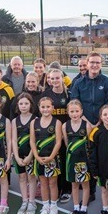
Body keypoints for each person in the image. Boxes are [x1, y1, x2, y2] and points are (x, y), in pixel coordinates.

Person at [30, 96, 63, 214]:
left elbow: (58, 142)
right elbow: (32, 141)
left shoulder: (57, 123)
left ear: (53, 108)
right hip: (39, 158)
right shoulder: (34, 122)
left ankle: (53, 206)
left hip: (52, 158)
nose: (45, 109)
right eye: (43, 107)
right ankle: (45, 206)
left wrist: (51, 157)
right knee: (43, 182)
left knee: (52, 183)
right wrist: (36, 156)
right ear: (39, 108)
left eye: (48, 107)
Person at [43, 68, 72, 203]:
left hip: (66, 135)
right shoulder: (46, 95)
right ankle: (57, 188)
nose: (54, 80)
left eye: (57, 78)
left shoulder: (69, 95)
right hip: (51, 136)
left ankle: (67, 189)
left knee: (66, 161)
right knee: (55, 162)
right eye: (52, 78)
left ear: (62, 78)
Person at [63, 99, 92, 214]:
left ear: (81, 111)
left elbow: (90, 144)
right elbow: (66, 142)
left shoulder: (86, 125)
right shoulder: (65, 126)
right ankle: (76, 208)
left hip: (83, 160)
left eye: (77, 111)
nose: (74, 114)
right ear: (68, 112)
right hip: (71, 160)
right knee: (74, 184)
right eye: (72, 111)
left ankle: (84, 208)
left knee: (84, 184)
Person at [70, 51, 108, 126]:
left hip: (103, 124)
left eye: (98, 63)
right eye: (92, 62)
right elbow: (74, 103)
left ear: (101, 64)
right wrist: (88, 124)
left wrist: (99, 123)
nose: (95, 65)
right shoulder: (78, 83)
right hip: (82, 124)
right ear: (87, 64)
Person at [11, 93, 37, 214]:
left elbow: (35, 140)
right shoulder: (15, 121)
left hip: (30, 155)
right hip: (19, 155)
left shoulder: (35, 120)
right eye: (21, 104)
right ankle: (24, 201)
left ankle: (32, 201)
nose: (23, 106)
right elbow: (14, 140)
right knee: (22, 177)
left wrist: (31, 155)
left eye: (26, 103)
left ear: (30, 105)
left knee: (31, 177)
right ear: (17, 105)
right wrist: (16, 156)